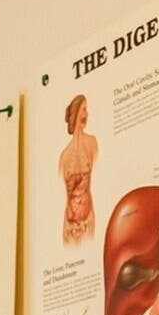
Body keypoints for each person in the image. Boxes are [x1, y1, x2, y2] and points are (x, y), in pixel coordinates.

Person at [58, 93, 99, 243]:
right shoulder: (64, 156)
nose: (86, 114)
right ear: (75, 113)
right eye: (83, 109)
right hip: (70, 227)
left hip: (87, 222)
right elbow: (67, 196)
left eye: (87, 110)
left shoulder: (92, 143)